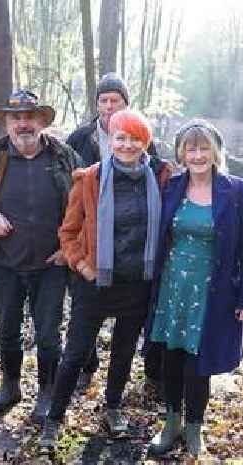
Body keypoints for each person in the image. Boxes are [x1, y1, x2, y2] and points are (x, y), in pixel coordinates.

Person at [38, 109, 172, 450]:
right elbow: (67, 233)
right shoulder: (89, 178)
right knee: (75, 354)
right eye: (121, 137)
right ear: (109, 139)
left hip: (137, 283)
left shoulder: (160, 177)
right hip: (94, 282)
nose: (127, 145)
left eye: (135, 138)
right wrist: (82, 266)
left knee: (124, 351)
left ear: (146, 142)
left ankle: (113, 406)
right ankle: (54, 418)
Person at [0, 90, 82, 423]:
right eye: (15, 118)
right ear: (7, 123)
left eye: (29, 117)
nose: (23, 124)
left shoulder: (65, 158)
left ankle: (47, 392)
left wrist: (70, 249)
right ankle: (9, 386)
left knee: (49, 334)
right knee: (7, 330)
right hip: (5, 264)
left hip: (52, 264)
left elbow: (89, 204)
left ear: (41, 121)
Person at [146, 120, 243, 458]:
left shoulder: (236, 191)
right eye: (190, 148)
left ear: (215, 151)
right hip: (172, 287)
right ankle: (171, 422)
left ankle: (194, 428)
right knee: (170, 357)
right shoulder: (172, 186)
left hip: (212, 291)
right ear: (181, 153)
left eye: (203, 147)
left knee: (199, 362)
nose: (197, 155)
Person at [65, 72, 162, 393]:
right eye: (102, 100)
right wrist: (74, 254)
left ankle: (117, 396)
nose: (107, 106)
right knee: (81, 333)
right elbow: (68, 189)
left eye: (114, 100)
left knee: (126, 341)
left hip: (133, 264)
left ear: (125, 104)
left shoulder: (143, 145)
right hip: (89, 250)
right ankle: (85, 368)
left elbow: (160, 181)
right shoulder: (80, 139)